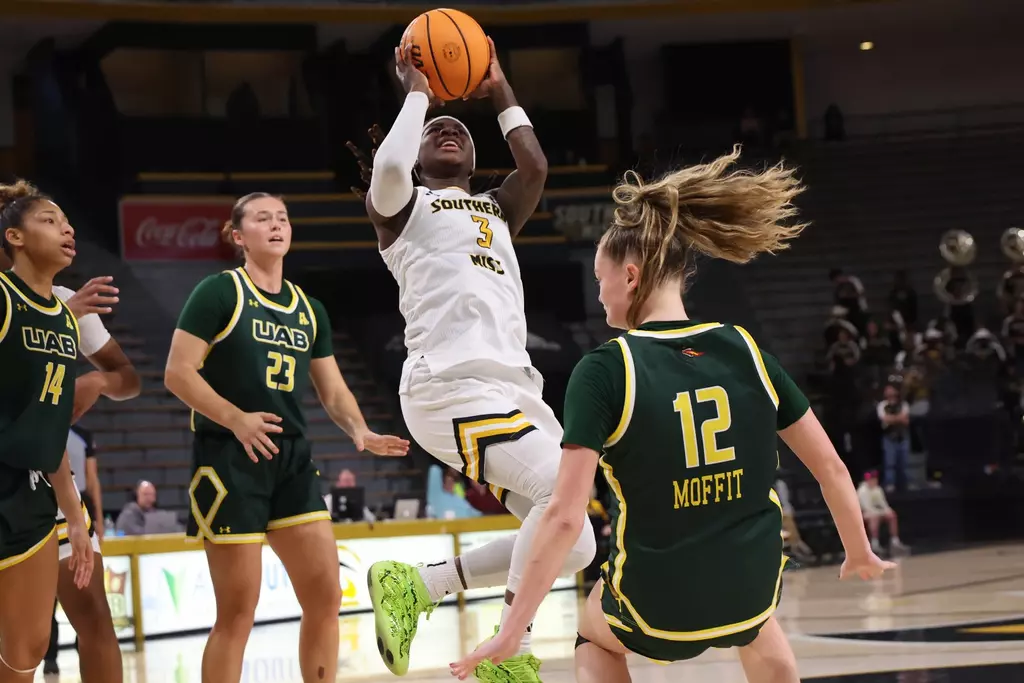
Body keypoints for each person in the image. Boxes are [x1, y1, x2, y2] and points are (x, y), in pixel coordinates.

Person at [450, 149, 896, 683]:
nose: (599, 292)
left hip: (656, 607)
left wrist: (510, 629)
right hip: (752, 587)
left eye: (601, 279)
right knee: (756, 623)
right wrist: (858, 551)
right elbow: (832, 469)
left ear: (631, 276)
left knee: (594, 637)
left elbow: (566, 517)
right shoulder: (747, 349)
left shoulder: (605, 369)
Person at [359, 40, 595, 681]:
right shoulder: (404, 208)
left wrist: (499, 92)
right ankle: (508, 652)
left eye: (458, 130)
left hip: (517, 389)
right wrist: (417, 94)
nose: (446, 131)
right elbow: (386, 170)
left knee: (575, 540)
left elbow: (536, 168)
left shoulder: (495, 206)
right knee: (558, 492)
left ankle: (423, 583)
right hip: (449, 383)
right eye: (435, 128)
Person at [163, 191, 409, 683]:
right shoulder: (218, 292)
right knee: (237, 612)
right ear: (239, 236)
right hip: (230, 457)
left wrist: (360, 430)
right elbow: (178, 373)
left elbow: (332, 387)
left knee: (325, 596)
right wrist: (236, 418)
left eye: (282, 217)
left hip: (292, 459)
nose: (276, 225)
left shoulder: (309, 308)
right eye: (262, 218)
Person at [0, 180, 94, 680]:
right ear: (14, 237)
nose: (67, 228)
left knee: (30, 646)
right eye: (50, 220)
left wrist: (75, 518)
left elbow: (53, 426)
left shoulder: (64, 320)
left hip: (34, 493)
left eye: (67, 221)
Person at [43, 275, 139, 680]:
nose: (66, 229)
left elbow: (128, 378)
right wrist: (61, 318)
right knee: (23, 638)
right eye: (47, 219)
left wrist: (96, 381)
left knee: (96, 620)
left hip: (49, 476)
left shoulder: (66, 298)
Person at [857, 471, 906, 555]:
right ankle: (874, 544)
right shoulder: (862, 491)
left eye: (875, 479)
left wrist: (888, 510)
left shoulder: (878, 489)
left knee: (892, 515)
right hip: (862, 513)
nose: (874, 481)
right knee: (874, 518)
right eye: (871, 479)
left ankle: (895, 542)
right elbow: (867, 507)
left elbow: (883, 503)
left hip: (876, 511)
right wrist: (880, 513)